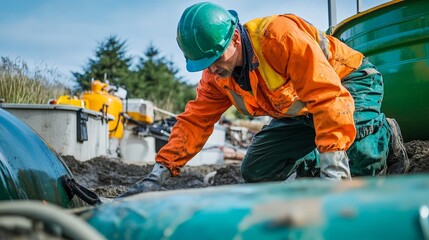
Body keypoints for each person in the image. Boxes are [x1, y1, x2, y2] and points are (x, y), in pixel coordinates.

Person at [120, 2, 409, 196]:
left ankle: (384, 133)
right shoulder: (216, 77)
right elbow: (194, 122)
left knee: (356, 167)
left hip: (349, 83)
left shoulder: (278, 38)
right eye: (203, 64)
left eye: (214, 59)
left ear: (234, 38)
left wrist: (334, 173)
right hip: (304, 109)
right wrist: (158, 175)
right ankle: (328, 154)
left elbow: (327, 96)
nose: (211, 69)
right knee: (257, 170)